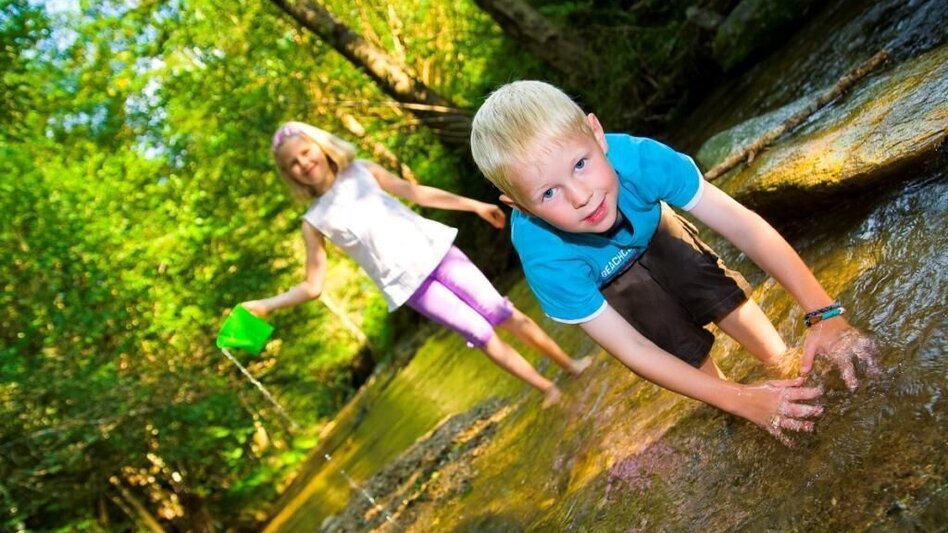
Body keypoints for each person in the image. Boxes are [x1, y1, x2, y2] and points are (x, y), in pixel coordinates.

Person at [469, 81, 879, 443]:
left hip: (652, 227)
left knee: (718, 293)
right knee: (675, 341)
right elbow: (634, 349)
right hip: (609, 280)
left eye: (581, 164)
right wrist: (742, 400)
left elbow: (746, 227)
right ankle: (740, 404)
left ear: (597, 134)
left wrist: (823, 312)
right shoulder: (547, 260)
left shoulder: (641, 162)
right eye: (547, 194)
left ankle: (782, 364)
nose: (581, 196)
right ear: (519, 206)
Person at [241, 121, 591, 408]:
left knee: (501, 312)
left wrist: (474, 206)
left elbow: (418, 193)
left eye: (305, 152)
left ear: (319, 146)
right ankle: (547, 388)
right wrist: (267, 305)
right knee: (481, 334)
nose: (303, 163)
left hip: (437, 252)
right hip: (409, 286)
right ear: (291, 175)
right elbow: (313, 286)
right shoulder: (313, 220)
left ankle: (570, 365)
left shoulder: (362, 171)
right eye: (293, 164)